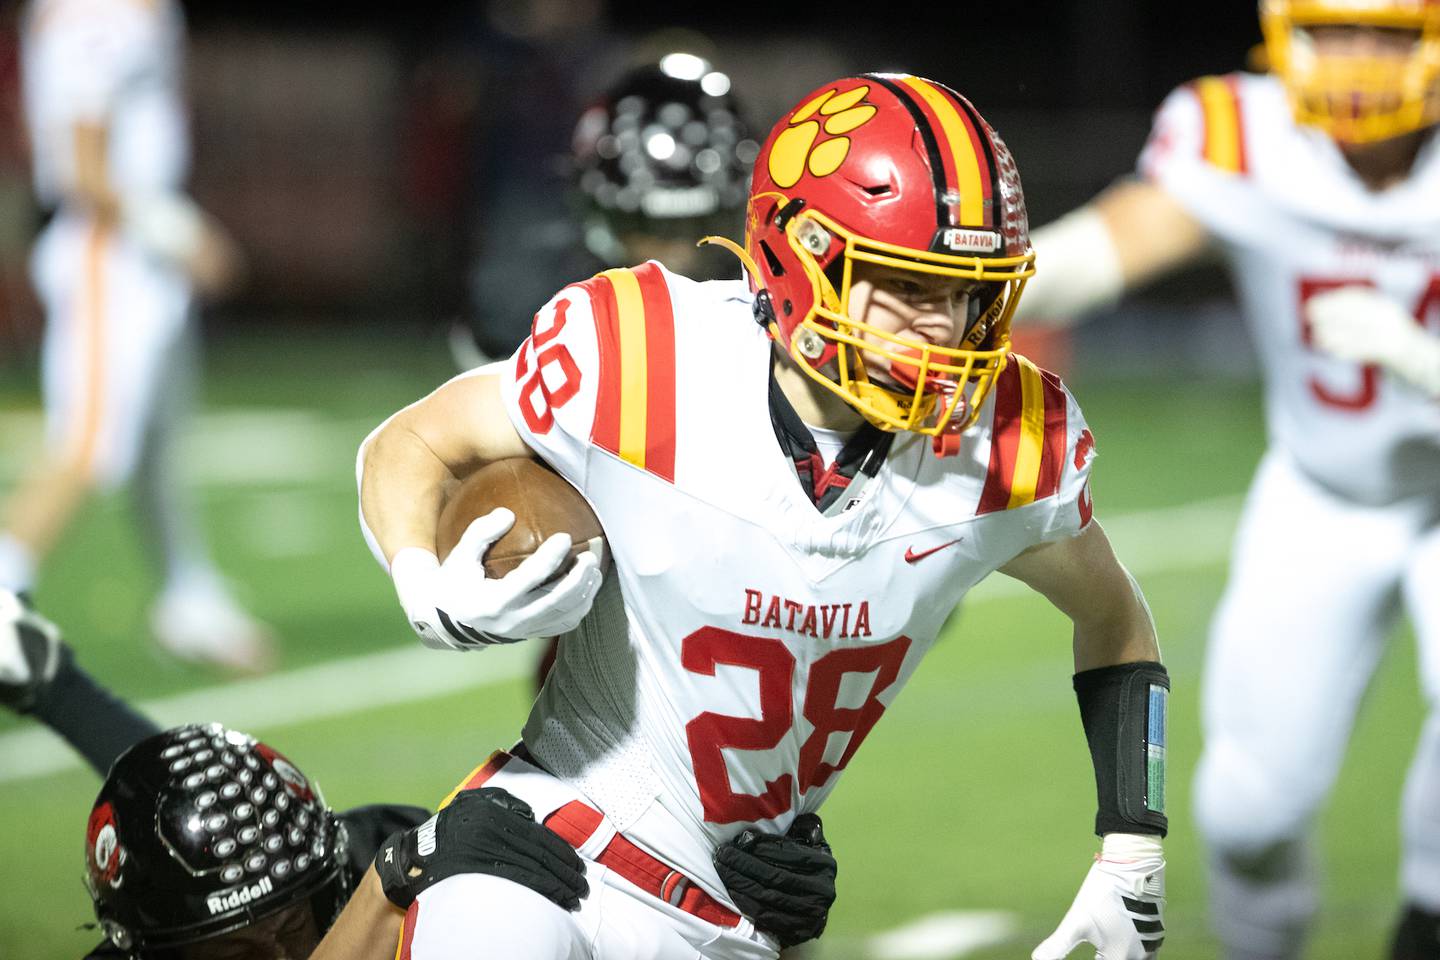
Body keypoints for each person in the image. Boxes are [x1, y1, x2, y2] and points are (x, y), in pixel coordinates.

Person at [354, 74, 1170, 960]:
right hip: (548, 847)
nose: (941, 329)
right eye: (905, 285)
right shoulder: (644, 357)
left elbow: (1116, 617)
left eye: (966, 293)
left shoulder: (1004, 445)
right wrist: (424, 584)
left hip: (738, 910)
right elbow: (414, 443)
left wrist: (1133, 848)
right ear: (803, 253)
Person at [1010, 2, 1440, 957]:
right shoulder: (1246, 132)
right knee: (1249, 815)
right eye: (1332, 29)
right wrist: (960, 282)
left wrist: (1424, 362)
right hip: (1322, 494)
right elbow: (1101, 251)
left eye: (1389, 34)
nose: (1356, 59)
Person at [0, 589, 833, 959]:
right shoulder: (396, 869)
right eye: (238, 959)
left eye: (297, 931)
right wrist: (383, 891)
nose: (282, 957)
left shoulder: (392, 856)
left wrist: (742, 909)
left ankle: (46, 679)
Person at [1, 0, 271, 672]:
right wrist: (179, 232)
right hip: (111, 250)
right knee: (89, 441)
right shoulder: (95, 14)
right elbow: (81, 167)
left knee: (157, 444)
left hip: (136, 247)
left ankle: (190, 596)